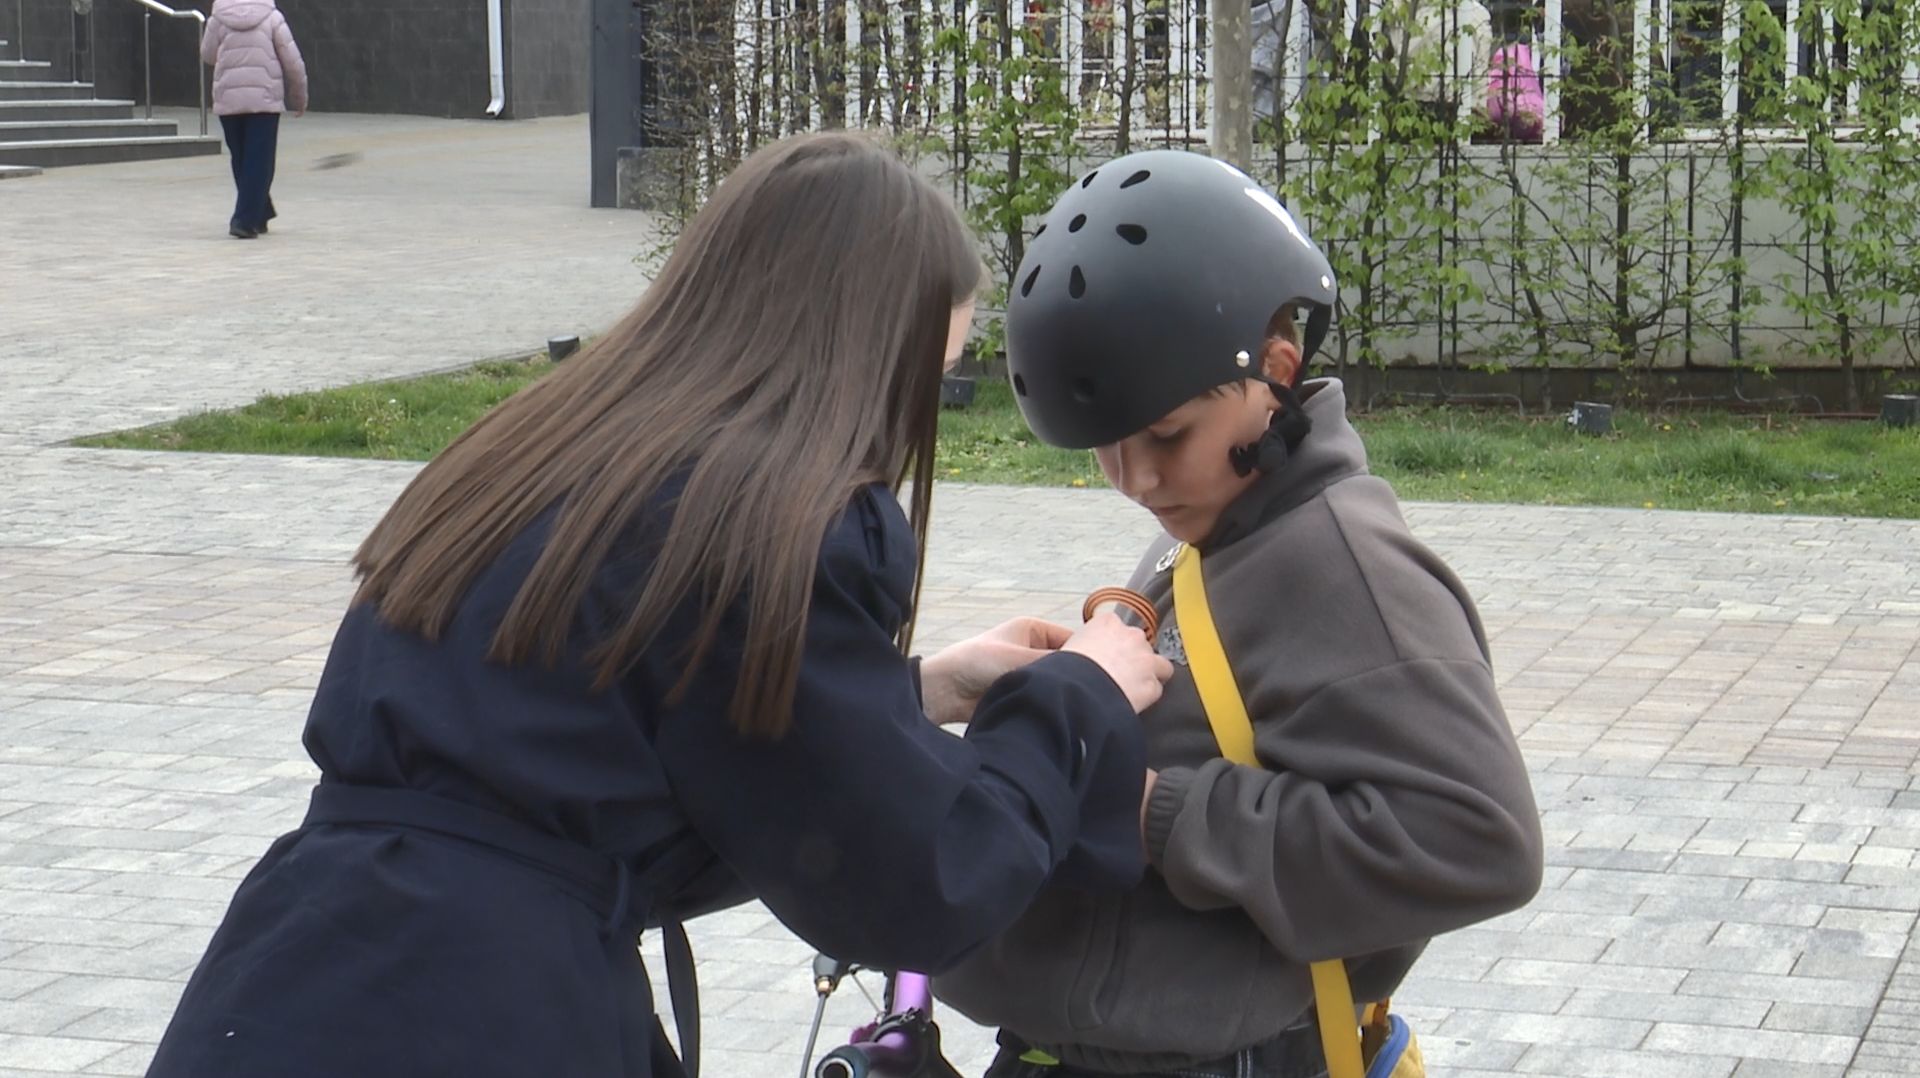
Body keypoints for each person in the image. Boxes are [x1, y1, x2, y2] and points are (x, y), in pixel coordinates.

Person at [145, 131, 1172, 1078]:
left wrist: (920, 686)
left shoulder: (551, 444)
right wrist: (1078, 697)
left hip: (296, 970)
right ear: (860, 354)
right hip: (487, 1009)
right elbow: (918, 879)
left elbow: (611, 733)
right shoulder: (772, 518)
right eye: (923, 380)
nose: (910, 422)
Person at [935, 149, 1545, 1078]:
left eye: (1167, 436)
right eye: (1107, 445)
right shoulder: (1216, 522)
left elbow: (1478, 839)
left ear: (1276, 371)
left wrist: (1154, 810)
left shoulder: (1344, 568)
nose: (1135, 478)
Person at [201, 0, 308, 239]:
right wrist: (299, 97)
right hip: (264, 101)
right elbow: (293, 61)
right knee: (258, 161)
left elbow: (207, 55)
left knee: (242, 159)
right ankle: (244, 220)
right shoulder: (272, 16)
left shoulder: (218, 16)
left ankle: (260, 212)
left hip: (229, 100)